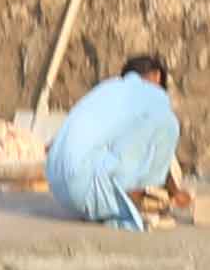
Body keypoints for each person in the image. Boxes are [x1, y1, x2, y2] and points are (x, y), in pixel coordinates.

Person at [40, 54, 186, 227]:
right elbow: (162, 140)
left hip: (59, 191)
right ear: (156, 76)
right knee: (168, 124)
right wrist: (175, 193)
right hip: (84, 190)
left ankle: (117, 198)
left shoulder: (106, 90)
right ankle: (140, 200)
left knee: (126, 143)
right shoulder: (154, 96)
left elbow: (53, 145)